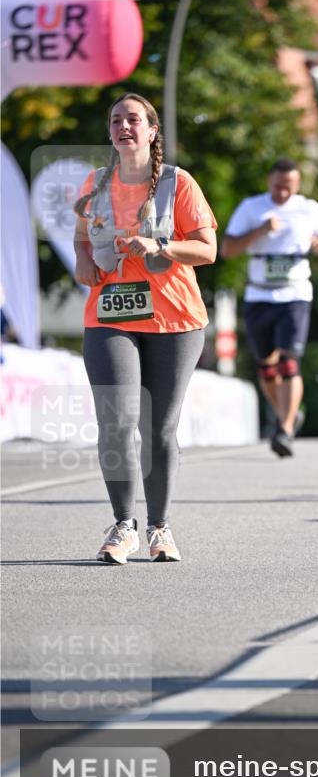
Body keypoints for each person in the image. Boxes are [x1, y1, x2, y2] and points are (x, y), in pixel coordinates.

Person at [73, 93, 217, 564]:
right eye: (116, 120)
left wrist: (160, 245)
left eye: (133, 119)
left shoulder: (178, 183)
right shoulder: (95, 184)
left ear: (152, 131)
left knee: (158, 428)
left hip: (174, 318)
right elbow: (81, 241)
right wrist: (85, 261)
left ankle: (160, 528)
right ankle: (123, 526)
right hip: (109, 316)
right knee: (116, 421)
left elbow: (208, 250)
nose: (124, 126)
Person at [220, 158, 318, 457]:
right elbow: (227, 249)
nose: (283, 193)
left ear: (298, 184)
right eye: (278, 186)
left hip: (295, 293)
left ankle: (284, 429)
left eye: (289, 187)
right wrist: (260, 231)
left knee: (288, 362)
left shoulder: (308, 208)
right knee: (267, 366)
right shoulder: (252, 207)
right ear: (269, 181)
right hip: (259, 295)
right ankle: (287, 413)